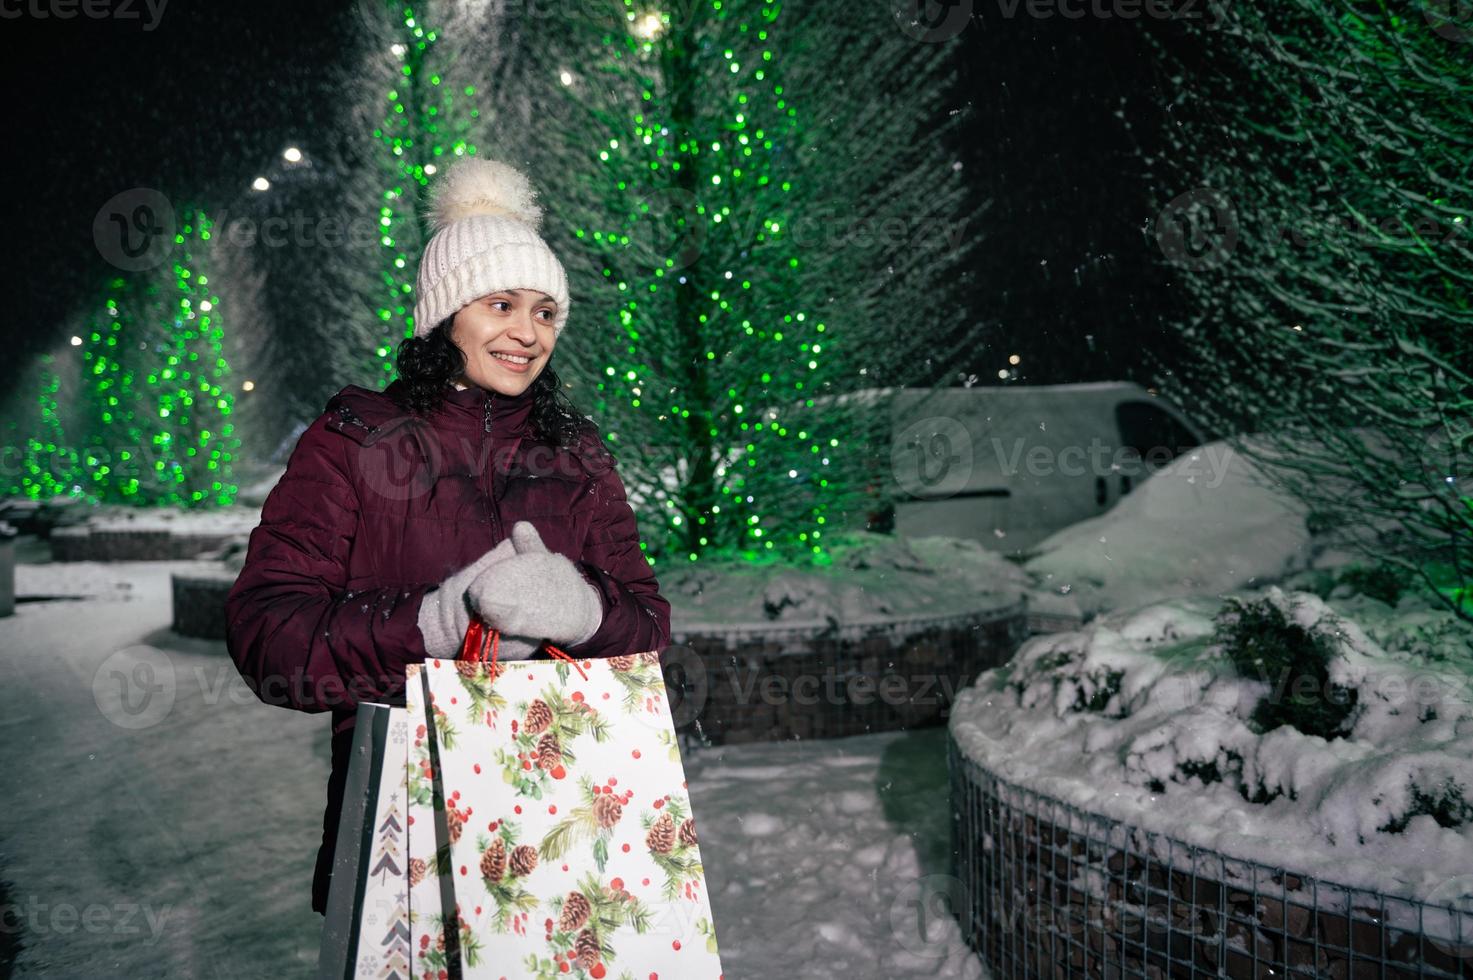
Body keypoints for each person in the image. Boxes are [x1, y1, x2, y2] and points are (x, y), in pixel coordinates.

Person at [224, 157, 671, 916]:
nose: (526, 334)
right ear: (444, 314)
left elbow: (648, 623)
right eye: (500, 304)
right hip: (405, 836)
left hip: (565, 832)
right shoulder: (354, 442)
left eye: (545, 312)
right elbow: (270, 638)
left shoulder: (580, 453)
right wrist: (435, 623)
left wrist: (587, 611)